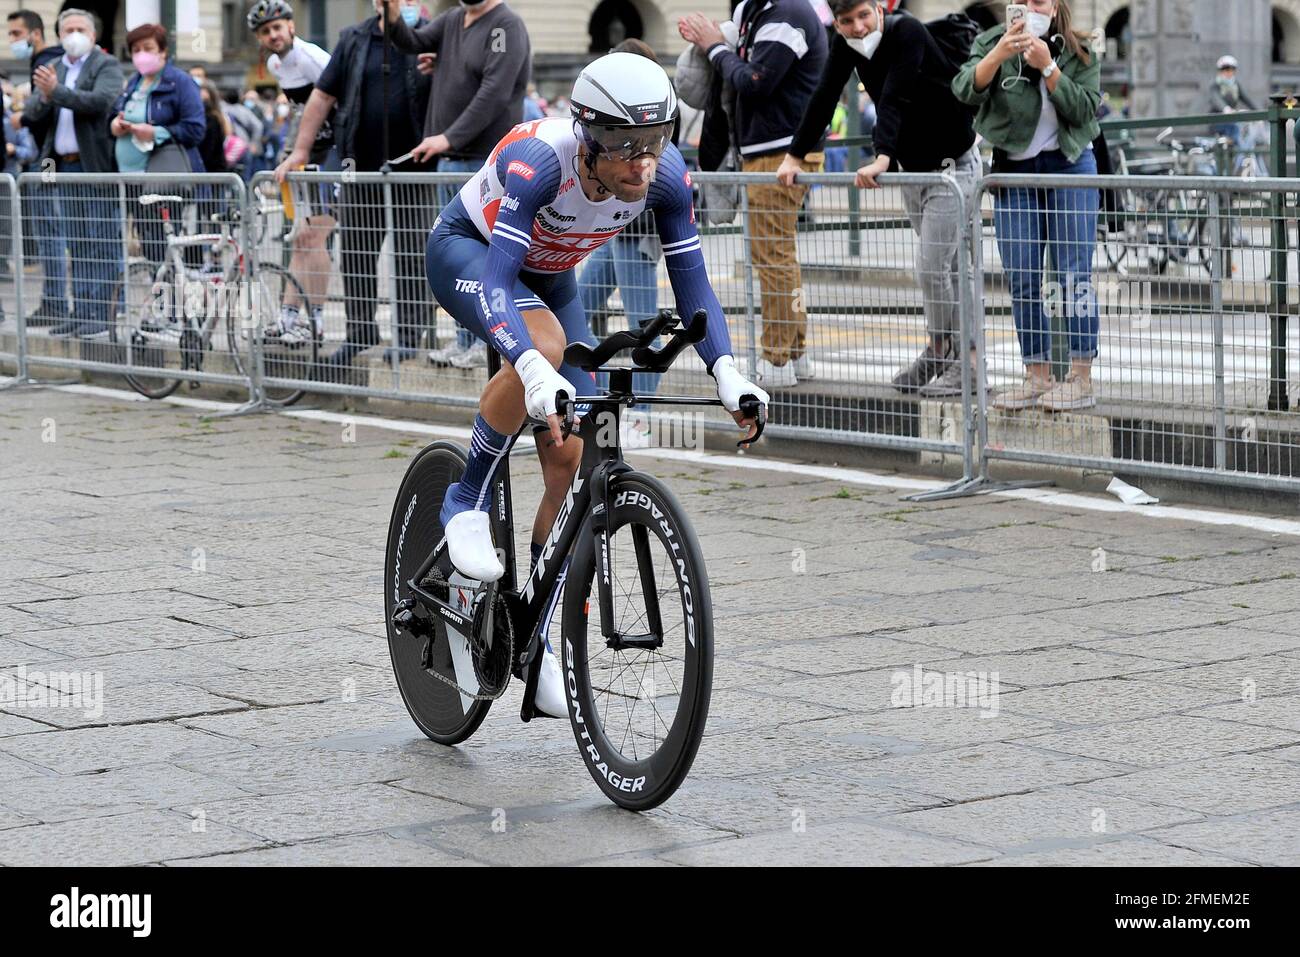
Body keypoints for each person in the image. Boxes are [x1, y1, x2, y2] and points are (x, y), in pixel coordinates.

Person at [424, 53, 769, 715]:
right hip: (471, 253)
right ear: (587, 137)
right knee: (546, 346)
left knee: (572, 454)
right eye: (624, 148)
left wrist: (729, 374)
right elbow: (497, 284)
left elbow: (693, 284)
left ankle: (537, 637)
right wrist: (530, 368)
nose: (643, 163)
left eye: (655, 142)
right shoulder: (541, 163)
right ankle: (464, 500)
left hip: (552, 277)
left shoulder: (665, 178)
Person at [779, 0, 980, 398]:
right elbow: (823, 95)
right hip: (914, 171)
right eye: (846, 21)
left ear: (879, 9)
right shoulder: (845, 44)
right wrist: (794, 154)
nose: (856, 28)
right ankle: (951, 356)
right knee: (948, 268)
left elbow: (895, 94)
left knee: (933, 267)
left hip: (952, 166)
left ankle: (953, 356)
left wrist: (882, 156)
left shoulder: (906, 31)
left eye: (863, 16)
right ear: (836, 23)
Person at [952, 0, 1100, 411]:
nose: (1031, 8)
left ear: (1054, 6)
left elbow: (1086, 107)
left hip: (1070, 164)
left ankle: (1080, 376)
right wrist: (1001, 52)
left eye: (1039, 1)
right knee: (1021, 274)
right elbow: (964, 90)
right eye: (1023, 0)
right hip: (1014, 170)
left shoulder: (1081, 48)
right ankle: (1036, 375)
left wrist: (1049, 67)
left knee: (1073, 273)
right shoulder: (988, 43)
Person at [275, 0, 433, 370]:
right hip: (359, 170)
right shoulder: (353, 39)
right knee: (357, 256)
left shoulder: (430, 36)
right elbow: (322, 96)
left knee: (412, 255)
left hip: (416, 168)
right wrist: (300, 150)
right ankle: (360, 333)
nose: (402, 4)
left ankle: (409, 337)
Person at [679, 0, 828, 389]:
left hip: (779, 155)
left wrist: (715, 46)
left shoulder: (786, 15)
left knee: (772, 257)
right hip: (777, 152)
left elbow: (756, 82)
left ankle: (778, 357)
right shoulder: (765, 11)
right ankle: (795, 351)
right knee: (780, 256)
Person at [378, 0, 531, 371]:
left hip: (485, 161)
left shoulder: (505, 26)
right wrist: (390, 11)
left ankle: (490, 341)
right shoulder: (452, 20)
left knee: (493, 256)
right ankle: (465, 339)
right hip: (451, 161)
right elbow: (410, 41)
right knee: (462, 259)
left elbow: (494, 93)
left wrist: (448, 137)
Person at [575, 38, 667, 442]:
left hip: (636, 232)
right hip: (616, 232)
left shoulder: (651, 113)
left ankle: (640, 416)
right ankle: (595, 398)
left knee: (643, 326)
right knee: (576, 310)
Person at [23, 8, 124, 339]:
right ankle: (81, 310)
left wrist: (58, 92)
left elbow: (99, 102)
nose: (74, 35)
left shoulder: (105, 65)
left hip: (92, 164)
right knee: (76, 241)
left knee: (101, 240)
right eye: (68, 30)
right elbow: (34, 111)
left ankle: (105, 311)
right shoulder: (53, 68)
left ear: (93, 36)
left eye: (80, 29)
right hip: (58, 163)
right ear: (59, 36)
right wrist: (46, 93)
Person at [249, 0, 336, 346]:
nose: (273, 35)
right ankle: (288, 317)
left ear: (291, 26)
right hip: (310, 153)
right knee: (301, 238)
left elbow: (338, 101)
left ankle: (316, 320)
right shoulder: (276, 64)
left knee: (315, 238)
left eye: (277, 27)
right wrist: (290, 154)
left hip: (334, 153)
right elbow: (301, 112)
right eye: (265, 31)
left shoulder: (309, 57)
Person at [110, 23, 207, 270]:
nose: (141, 53)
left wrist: (156, 132)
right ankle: (160, 299)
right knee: (149, 247)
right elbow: (115, 114)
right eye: (136, 49)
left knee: (164, 246)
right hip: (130, 179)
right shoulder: (133, 83)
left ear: (163, 51)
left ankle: (173, 304)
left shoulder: (180, 82)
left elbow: (195, 129)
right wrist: (115, 125)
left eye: (148, 48)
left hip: (161, 180)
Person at [9, 9, 67, 327]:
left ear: (35, 33)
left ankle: (56, 302)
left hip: (48, 159)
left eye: (16, 34)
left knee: (49, 226)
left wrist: (25, 116)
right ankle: (54, 301)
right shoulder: (44, 61)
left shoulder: (50, 60)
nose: (12, 41)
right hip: (48, 156)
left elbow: (41, 110)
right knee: (48, 228)